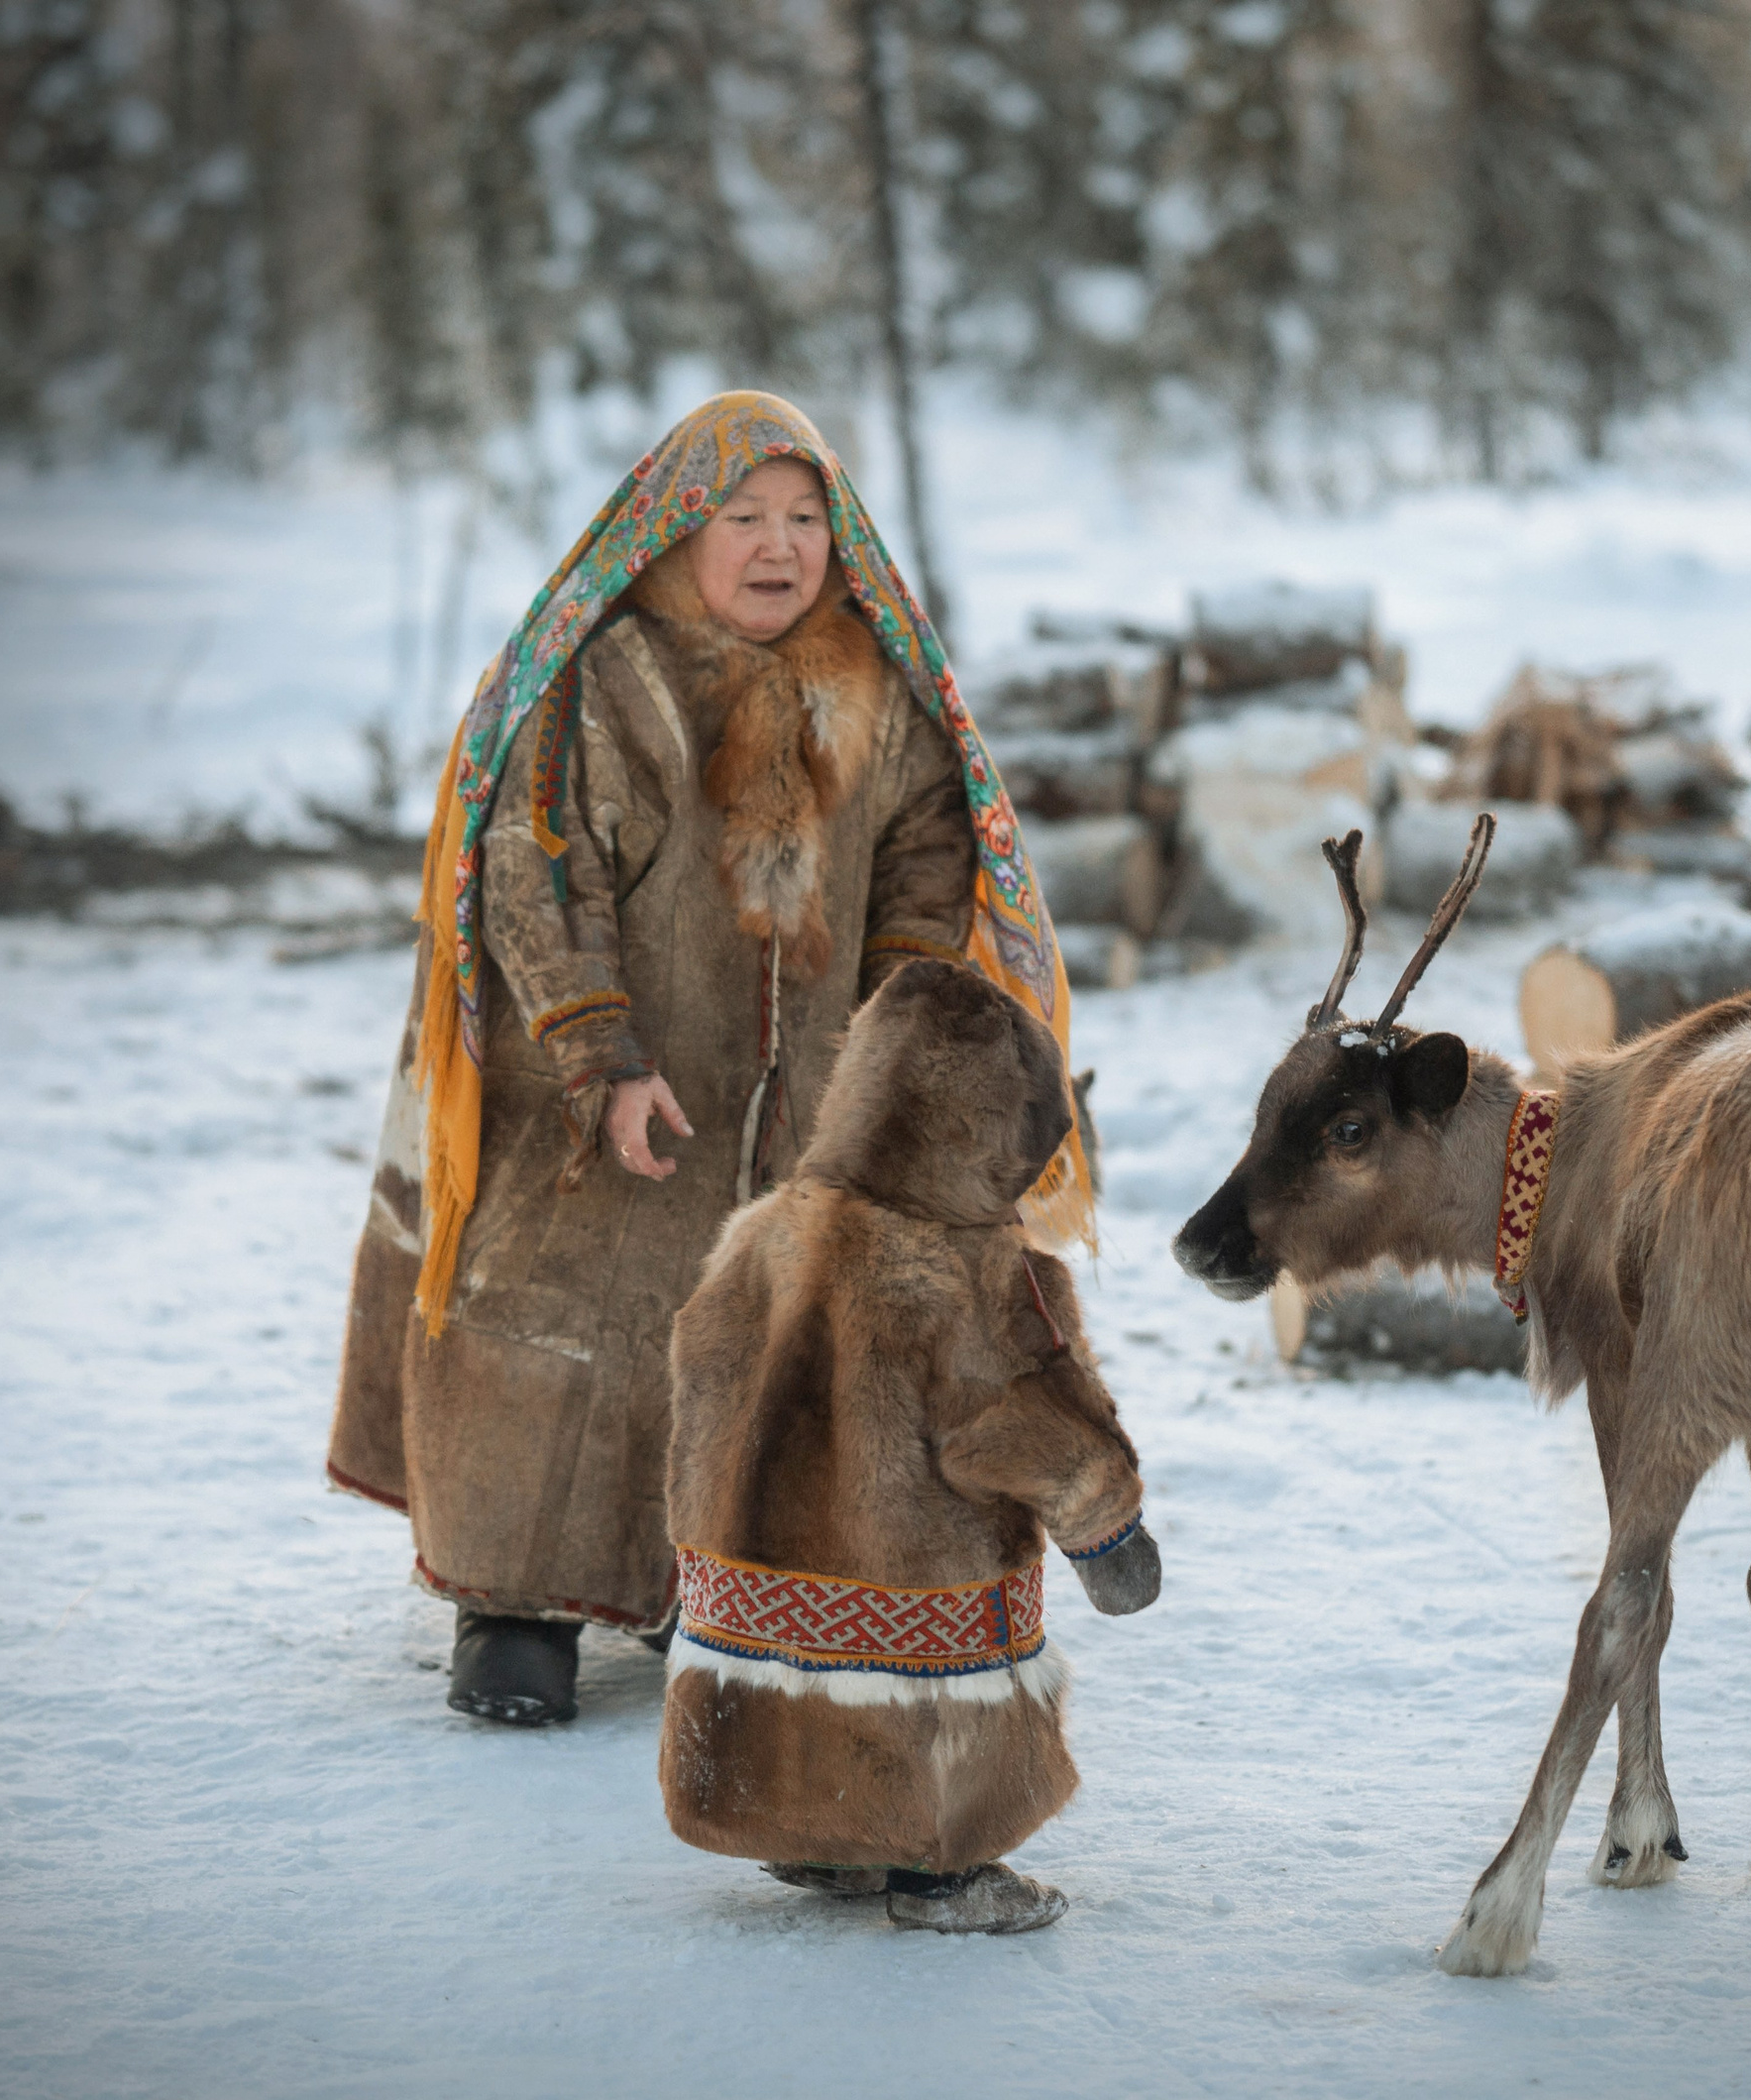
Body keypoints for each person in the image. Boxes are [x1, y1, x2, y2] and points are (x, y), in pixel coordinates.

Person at [325, 392, 1091, 1725]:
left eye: (804, 518)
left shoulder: (879, 697)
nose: (779, 545)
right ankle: (514, 1609)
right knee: (565, 1327)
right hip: (595, 1089)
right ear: (681, 528)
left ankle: (708, 1584)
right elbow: (538, 872)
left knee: (755, 1342)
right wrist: (600, 1053)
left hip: (797, 1102)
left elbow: (926, 865)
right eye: (745, 516)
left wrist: (891, 1049)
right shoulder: (607, 680)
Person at [660, 958, 1160, 1934]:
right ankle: (941, 1868)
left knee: (795, 1673)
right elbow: (1024, 1423)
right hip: (912, 1584)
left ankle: (819, 1829)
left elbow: (700, 1368)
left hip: (751, 1589)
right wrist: (1109, 1530)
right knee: (923, 1694)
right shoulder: (977, 1270)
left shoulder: (761, 1232)